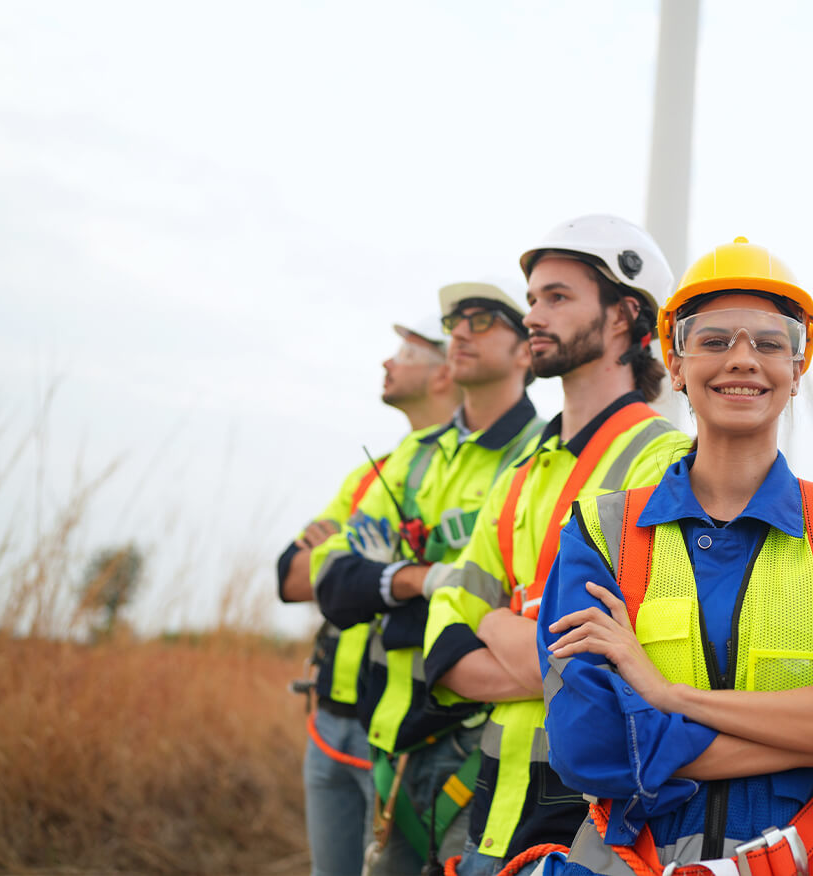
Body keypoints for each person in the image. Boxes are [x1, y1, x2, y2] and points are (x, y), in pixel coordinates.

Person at [537, 237, 813, 876]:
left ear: (797, 369)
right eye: (715, 340)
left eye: (769, 342)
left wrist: (668, 696)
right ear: (675, 365)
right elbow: (592, 745)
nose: (743, 360)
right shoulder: (601, 531)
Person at [395, 215, 694, 876]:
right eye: (533, 298)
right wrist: (536, 649)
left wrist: (499, 620)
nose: (534, 314)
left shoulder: (667, 466)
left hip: (593, 824)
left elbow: (623, 672)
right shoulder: (520, 471)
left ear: (624, 316)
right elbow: (444, 638)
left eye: (557, 297)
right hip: (489, 812)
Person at [310, 283, 545, 874]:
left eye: (483, 318)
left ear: (526, 350)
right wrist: (425, 580)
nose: (460, 331)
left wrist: (387, 576)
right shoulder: (413, 454)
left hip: (482, 746)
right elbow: (335, 585)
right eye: (454, 319)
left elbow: (522, 604)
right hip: (391, 740)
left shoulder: (543, 457)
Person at [278, 319, 458, 876]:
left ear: (446, 372)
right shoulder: (371, 474)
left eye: (407, 351)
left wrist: (356, 563)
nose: (387, 362)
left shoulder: (474, 471)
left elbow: (457, 580)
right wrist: (359, 561)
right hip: (329, 721)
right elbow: (293, 576)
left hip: (407, 732)